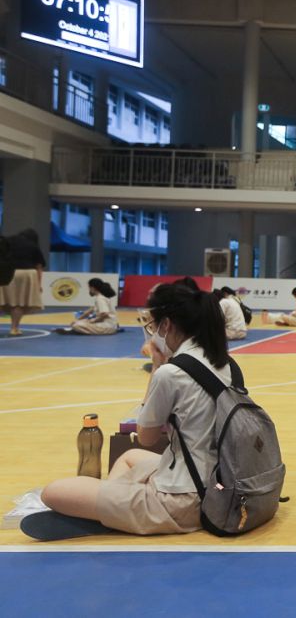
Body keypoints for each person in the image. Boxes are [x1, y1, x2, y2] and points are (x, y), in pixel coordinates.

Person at [40, 283, 235, 534]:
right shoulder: (226, 363)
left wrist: (156, 366)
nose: (152, 333)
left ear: (167, 325)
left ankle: (114, 512)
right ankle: (113, 507)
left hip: (182, 501)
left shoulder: (171, 373)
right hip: (219, 486)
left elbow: (146, 437)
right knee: (128, 458)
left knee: (52, 492)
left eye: (153, 326)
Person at [0, 228, 45, 336]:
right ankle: (14, 328)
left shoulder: (6, 241)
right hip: (26, 274)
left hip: (5, 271)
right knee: (18, 304)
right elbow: (39, 266)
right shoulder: (33, 246)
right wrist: (38, 285)